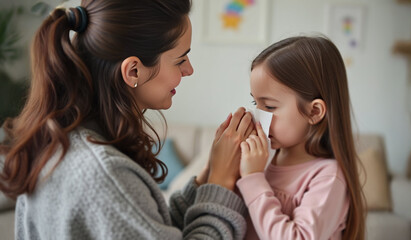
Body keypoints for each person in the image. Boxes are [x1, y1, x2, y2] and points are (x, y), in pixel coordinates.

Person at [0, 0, 254, 239]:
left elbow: (148, 225)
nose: (189, 69)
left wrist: (208, 174)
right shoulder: (104, 174)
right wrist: (221, 183)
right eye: (180, 60)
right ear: (133, 70)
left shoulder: (64, 140)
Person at [236, 36, 366, 240]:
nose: (258, 118)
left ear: (314, 112)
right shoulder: (264, 159)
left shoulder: (328, 177)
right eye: (256, 104)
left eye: (269, 106)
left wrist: (253, 179)